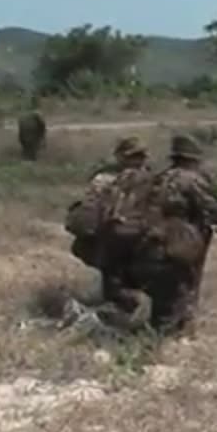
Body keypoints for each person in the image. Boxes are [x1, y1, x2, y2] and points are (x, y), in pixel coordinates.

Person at [129, 135, 217, 334]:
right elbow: (214, 208)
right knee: (181, 291)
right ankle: (166, 340)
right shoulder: (190, 179)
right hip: (178, 244)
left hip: (149, 243)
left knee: (164, 294)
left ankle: (158, 332)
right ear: (192, 159)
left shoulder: (159, 177)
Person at [64, 137, 153, 325]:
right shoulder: (152, 178)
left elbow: (90, 209)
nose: (138, 160)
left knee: (116, 281)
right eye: (137, 156)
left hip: (120, 238)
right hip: (133, 239)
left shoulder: (106, 178)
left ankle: (119, 315)